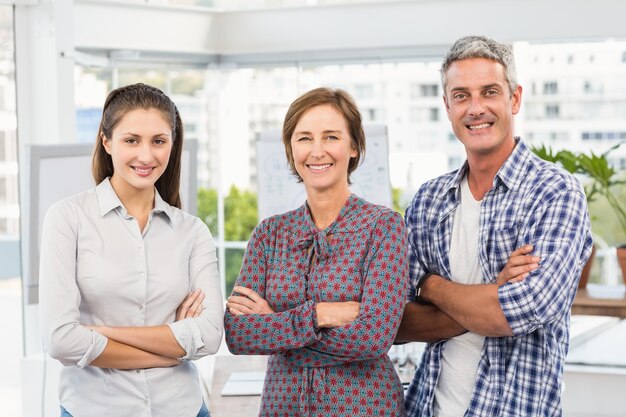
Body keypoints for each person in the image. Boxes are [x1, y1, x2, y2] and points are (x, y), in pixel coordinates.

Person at [397, 36, 593, 417]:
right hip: (426, 409)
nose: (475, 108)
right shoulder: (426, 201)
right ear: (447, 106)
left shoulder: (554, 192)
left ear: (514, 99)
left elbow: (519, 312)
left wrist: (428, 285)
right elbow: (396, 322)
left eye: (489, 92)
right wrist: (492, 293)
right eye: (461, 95)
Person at [39, 83, 224, 417]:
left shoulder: (192, 231)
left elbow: (209, 336)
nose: (146, 155)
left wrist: (100, 333)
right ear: (106, 141)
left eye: (159, 141)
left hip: (181, 407)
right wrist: (172, 349)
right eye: (131, 140)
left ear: (172, 144)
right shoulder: (68, 219)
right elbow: (61, 340)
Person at [224, 87, 408, 416]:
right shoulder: (269, 235)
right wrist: (320, 314)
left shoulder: (384, 227)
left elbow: (374, 338)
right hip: (283, 407)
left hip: (366, 406)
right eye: (305, 138)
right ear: (290, 148)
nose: (317, 151)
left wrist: (275, 328)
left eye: (331, 137)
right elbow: (238, 335)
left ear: (353, 147)